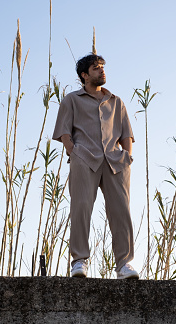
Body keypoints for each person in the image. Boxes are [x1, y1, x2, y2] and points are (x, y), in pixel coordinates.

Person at [52, 54, 139, 279]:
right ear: (84, 75)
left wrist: (127, 156)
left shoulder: (116, 101)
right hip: (85, 159)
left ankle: (124, 264)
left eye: (102, 67)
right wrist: (74, 151)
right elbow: (63, 132)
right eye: (95, 68)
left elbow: (126, 133)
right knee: (81, 208)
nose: (101, 71)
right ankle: (79, 261)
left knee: (121, 212)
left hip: (115, 162)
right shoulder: (71, 100)